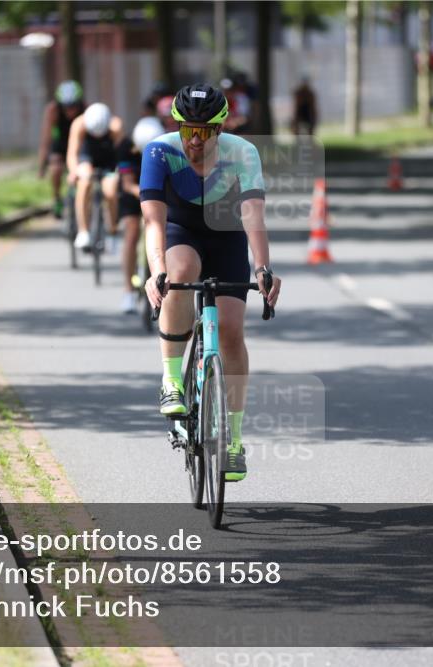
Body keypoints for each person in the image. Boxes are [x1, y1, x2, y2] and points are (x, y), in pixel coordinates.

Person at [141, 83, 282, 481]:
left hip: (226, 235)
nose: (195, 140)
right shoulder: (159, 150)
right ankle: (171, 379)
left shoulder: (243, 153)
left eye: (204, 131)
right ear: (178, 127)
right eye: (188, 130)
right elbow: (153, 220)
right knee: (180, 272)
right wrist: (156, 271)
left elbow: (253, 214)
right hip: (179, 231)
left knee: (233, 332)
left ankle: (234, 439)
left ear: (221, 129)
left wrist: (263, 269)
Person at [116, 116, 166, 313]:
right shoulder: (124, 148)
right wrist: (149, 194)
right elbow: (127, 184)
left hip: (159, 194)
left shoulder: (167, 147)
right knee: (132, 232)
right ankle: (128, 291)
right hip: (134, 192)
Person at [66, 102, 124, 250]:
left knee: (111, 192)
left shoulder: (116, 127)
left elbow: (122, 156)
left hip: (108, 159)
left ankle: (112, 229)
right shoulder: (79, 124)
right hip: (87, 157)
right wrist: (73, 172)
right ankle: (83, 230)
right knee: (84, 182)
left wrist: (121, 173)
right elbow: (72, 153)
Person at [38, 81, 85, 218]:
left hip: (79, 142)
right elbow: (46, 138)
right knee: (56, 168)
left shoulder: (85, 109)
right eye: (66, 107)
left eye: (73, 106)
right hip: (60, 142)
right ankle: (57, 197)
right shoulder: (53, 110)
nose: (70, 111)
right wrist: (42, 165)